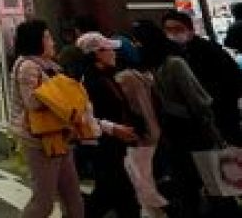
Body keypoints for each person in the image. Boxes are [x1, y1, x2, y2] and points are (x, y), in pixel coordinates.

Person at [133, 19, 228, 217]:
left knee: (210, 187)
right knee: (195, 188)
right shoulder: (155, 69)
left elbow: (199, 102)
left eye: (139, 42)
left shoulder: (171, 65)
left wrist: (213, 132)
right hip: (178, 137)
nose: (136, 47)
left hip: (192, 134)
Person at [10, 20, 84, 218]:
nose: (52, 42)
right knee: (43, 202)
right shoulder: (28, 66)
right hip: (39, 139)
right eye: (47, 37)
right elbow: (32, 102)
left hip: (60, 135)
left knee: (73, 198)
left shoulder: (50, 65)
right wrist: (62, 97)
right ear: (37, 40)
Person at [75, 33, 140, 218]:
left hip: (113, 145)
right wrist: (114, 128)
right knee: (115, 193)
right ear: (97, 53)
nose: (114, 53)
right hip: (103, 146)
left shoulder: (106, 76)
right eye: (109, 49)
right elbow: (88, 117)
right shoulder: (90, 81)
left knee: (117, 195)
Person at [161, 10, 242, 145]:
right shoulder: (170, 55)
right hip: (197, 119)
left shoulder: (209, 50)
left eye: (178, 29)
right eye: (168, 30)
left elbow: (233, 79)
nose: (173, 33)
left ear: (190, 30)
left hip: (221, 111)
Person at [114, 35, 168, 217]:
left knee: (142, 177)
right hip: (152, 129)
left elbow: (128, 107)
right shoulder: (142, 75)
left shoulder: (123, 78)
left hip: (138, 133)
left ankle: (155, 209)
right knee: (147, 174)